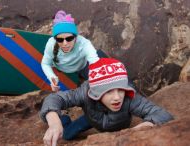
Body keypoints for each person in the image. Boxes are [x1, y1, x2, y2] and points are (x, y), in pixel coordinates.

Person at [40, 58, 174, 146]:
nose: (117, 97)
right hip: (92, 119)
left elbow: (162, 114)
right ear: (95, 92)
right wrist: (54, 121)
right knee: (67, 135)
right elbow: (54, 98)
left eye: (120, 90)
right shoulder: (84, 93)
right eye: (108, 91)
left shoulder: (129, 98)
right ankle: (63, 120)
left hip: (119, 125)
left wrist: (143, 127)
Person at [41, 10, 106, 92]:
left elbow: (95, 62)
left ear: (75, 37)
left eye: (69, 39)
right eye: (60, 39)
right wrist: (52, 77)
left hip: (82, 66)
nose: (65, 43)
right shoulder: (51, 44)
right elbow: (45, 63)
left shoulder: (84, 44)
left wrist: (99, 78)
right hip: (60, 67)